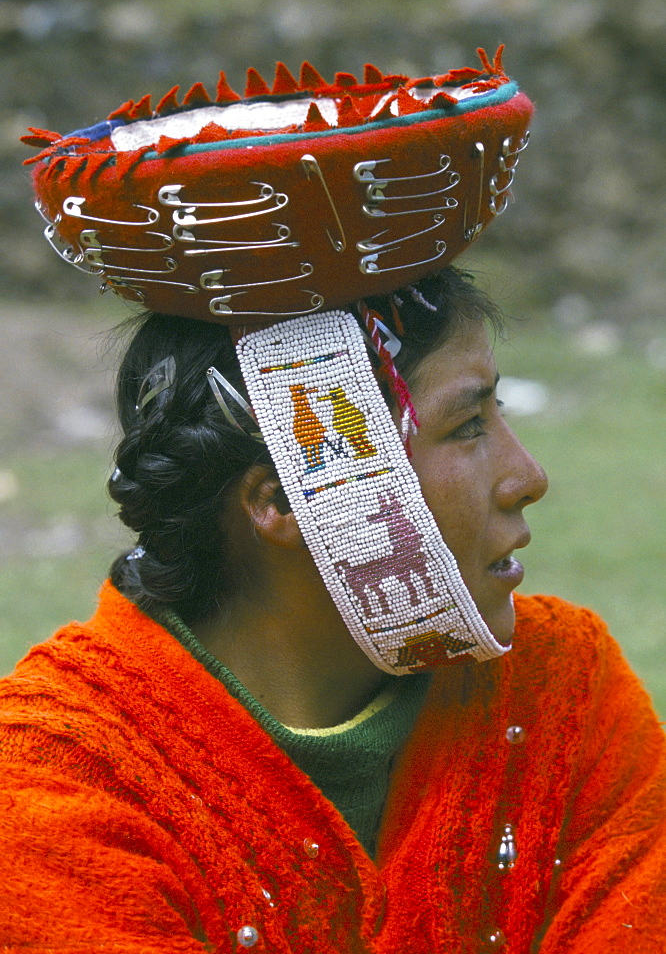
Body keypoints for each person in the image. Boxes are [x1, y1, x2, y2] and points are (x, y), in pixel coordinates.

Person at [2, 49, 664, 952]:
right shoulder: (58, 775)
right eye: (468, 428)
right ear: (282, 498)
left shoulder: (562, 695)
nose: (527, 475)